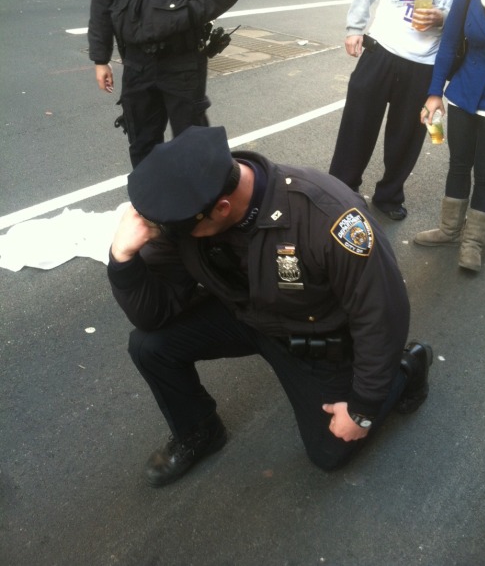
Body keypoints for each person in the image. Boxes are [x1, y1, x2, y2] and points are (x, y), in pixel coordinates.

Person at [108, 125, 433, 487]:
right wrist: (122, 260)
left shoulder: (326, 218)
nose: (165, 235)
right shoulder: (187, 215)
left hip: (312, 332)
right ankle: (199, 431)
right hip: (246, 314)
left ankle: (405, 370)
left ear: (222, 207)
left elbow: (382, 313)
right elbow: (152, 315)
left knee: (331, 451)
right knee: (149, 346)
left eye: (176, 231)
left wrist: (364, 408)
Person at [328, 0, 485, 221]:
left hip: (425, 63)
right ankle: (340, 190)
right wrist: (355, 26)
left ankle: (389, 195)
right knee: (356, 126)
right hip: (381, 49)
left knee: (406, 138)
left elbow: (473, 13)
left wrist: (443, 17)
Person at [88, 0, 241, 167]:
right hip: (136, 60)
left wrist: (186, 14)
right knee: (142, 145)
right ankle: (151, 208)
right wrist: (100, 57)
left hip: (182, 57)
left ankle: (201, 208)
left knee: (194, 145)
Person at [414, 0, 485, 272]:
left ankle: (473, 242)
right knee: (459, 163)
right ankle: (450, 230)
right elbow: (449, 46)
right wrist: (435, 93)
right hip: (464, 94)